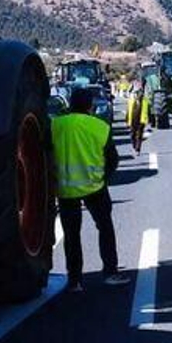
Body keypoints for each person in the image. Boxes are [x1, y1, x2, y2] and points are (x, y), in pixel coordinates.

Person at [51, 86, 131, 292]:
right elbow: (113, 158)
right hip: (95, 187)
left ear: (70, 104)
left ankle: (75, 280)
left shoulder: (55, 125)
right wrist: (104, 178)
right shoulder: (100, 126)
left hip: (66, 189)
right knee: (105, 228)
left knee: (72, 235)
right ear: (90, 105)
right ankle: (110, 272)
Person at [128, 81, 146, 155]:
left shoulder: (144, 101)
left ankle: (138, 149)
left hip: (141, 120)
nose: (138, 94)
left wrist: (146, 120)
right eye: (136, 93)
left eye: (139, 92)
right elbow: (128, 111)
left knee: (139, 135)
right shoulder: (131, 101)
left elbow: (146, 111)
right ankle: (134, 146)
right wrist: (127, 120)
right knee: (132, 135)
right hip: (132, 120)